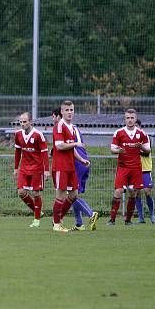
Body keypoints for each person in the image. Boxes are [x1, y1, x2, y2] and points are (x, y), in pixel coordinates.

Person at [108, 109, 150, 225]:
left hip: (136, 168)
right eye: (128, 118)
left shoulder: (142, 134)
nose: (130, 120)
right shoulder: (119, 132)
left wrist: (140, 146)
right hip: (123, 167)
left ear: (135, 119)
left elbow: (148, 151)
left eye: (132, 118)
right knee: (118, 191)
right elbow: (112, 149)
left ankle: (128, 220)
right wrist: (118, 150)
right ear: (125, 119)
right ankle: (112, 219)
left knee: (133, 192)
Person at [50, 100, 86, 233]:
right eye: (67, 110)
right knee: (60, 195)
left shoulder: (71, 127)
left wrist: (81, 159)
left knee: (74, 195)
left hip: (71, 166)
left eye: (71, 110)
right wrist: (76, 143)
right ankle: (56, 224)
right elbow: (59, 145)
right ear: (62, 112)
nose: (69, 112)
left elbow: (70, 148)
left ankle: (58, 219)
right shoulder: (60, 126)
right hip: (61, 166)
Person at [13, 112, 49, 228]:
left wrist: (46, 170)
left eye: (25, 122)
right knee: (21, 192)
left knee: (35, 193)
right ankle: (38, 211)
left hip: (37, 168)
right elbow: (18, 152)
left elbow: (44, 153)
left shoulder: (38, 135)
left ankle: (37, 219)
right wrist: (15, 168)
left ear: (31, 122)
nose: (22, 124)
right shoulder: (18, 134)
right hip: (24, 167)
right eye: (21, 122)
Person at [70, 120, 99, 231]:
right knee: (74, 195)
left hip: (77, 162)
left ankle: (91, 214)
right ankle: (79, 224)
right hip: (83, 160)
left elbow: (69, 147)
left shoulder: (64, 127)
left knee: (71, 195)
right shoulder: (75, 127)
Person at [134, 120, 155, 224]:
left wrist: (138, 148)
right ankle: (141, 217)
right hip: (135, 170)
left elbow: (147, 153)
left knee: (147, 192)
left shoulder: (145, 137)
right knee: (136, 193)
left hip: (146, 169)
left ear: (140, 127)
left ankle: (152, 215)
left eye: (136, 126)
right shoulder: (129, 138)